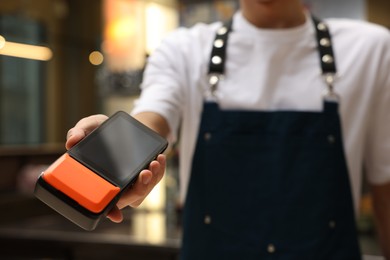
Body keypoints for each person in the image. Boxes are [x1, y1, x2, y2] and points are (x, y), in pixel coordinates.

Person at [66, 0, 390, 259]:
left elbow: (385, 184)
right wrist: (119, 143)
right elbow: (152, 118)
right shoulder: (185, 49)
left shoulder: (371, 49)